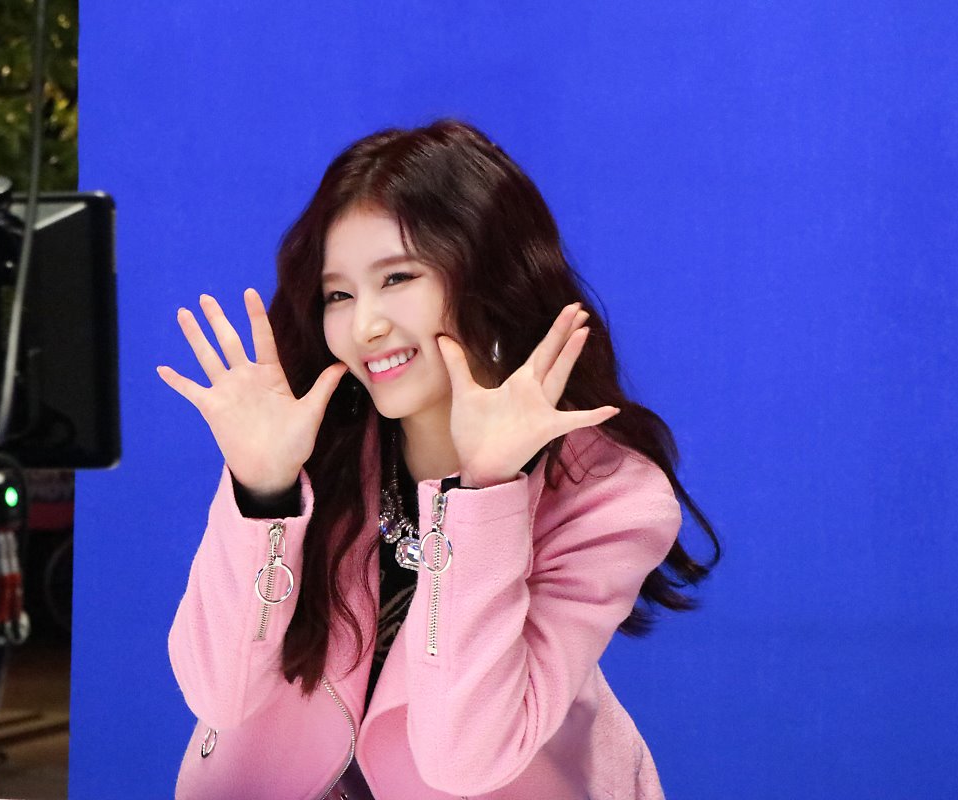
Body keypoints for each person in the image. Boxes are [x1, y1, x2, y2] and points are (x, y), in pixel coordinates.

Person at [158, 120, 719, 800]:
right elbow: (216, 694)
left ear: (489, 277)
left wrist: (485, 493)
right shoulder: (315, 447)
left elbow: (463, 760)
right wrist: (264, 490)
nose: (364, 326)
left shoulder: (610, 498)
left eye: (398, 278)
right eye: (339, 295)